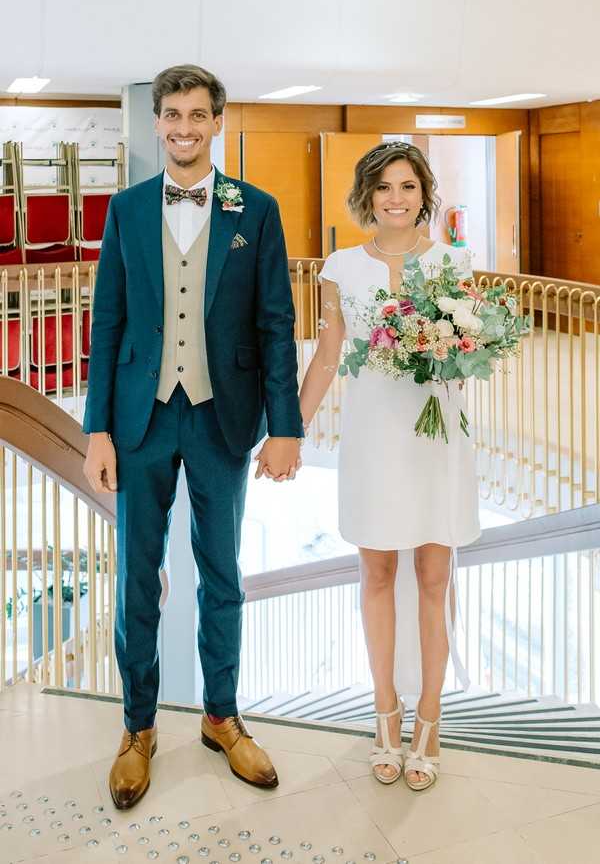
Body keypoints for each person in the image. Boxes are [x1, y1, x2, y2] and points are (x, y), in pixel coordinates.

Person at [83, 63, 303, 809]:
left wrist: (285, 427)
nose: (183, 126)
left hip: (222, 416)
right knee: (137, 578)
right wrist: (98, 429)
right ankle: (137, 728)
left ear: (218, 121)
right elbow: (106, 321)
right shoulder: (126, 209)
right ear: (157, 122)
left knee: (223, 575)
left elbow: (277, 322)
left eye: (197, 114)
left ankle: (221, 716)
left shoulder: (258, 209)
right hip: (140, 420)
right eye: (171, 114)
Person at [299, 141, 480, 791]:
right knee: (376, 572)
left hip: (435, 437)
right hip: (374, 434)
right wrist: (292, 426)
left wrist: (453, 346)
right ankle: (385, 714)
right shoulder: (341, 266)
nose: (396, 198)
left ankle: (429, 720)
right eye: (384, 188)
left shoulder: (454, 261)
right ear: (367, 195)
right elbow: (326, 353)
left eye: (407, 186)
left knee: (434, 576)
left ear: (422, 192)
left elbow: (470, 341)